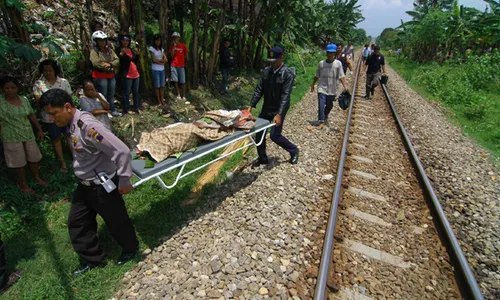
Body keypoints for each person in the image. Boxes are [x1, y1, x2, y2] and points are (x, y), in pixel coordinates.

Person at [39, 88, 139, 276]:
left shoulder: (88, 126)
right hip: (85, 184)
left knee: (116, 221)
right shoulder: (71, 124)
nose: (52, 119)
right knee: (77, 222)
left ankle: (130, 249)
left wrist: (125, 179)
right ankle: (93, 259)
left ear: (67, 107)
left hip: (102, 185)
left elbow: (122, 150)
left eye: (54, 113)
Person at [248, 46, 299, 166]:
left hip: (279, 109)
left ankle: (294, 150)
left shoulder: (287, 74)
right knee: (259, 133)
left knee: (275, 136)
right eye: (270, 61)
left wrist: (279, 114)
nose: (272, 63)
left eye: (275, 61)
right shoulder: (266, 71)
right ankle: (262, 158)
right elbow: (259, 89)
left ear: (282, 57)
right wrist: (251, 105)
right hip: (267, 107)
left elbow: (285, 96)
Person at [1, 76, 46, 193]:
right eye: (7, 88)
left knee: (34, 157)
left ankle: (36, 177)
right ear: (2, 89)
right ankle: (23, 183)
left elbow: (31, 115)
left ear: (17, 88)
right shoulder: (0, 101)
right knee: (18, 162)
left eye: (13, 88)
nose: (10, 90)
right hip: (11, 136)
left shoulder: (24, 99)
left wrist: (39, 129)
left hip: (27, 133)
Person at [33, 59, 71, 173]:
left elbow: (68, 98)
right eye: (45, 71)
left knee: (69, 135)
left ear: (55, 70)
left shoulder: (63, 82)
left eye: (50, 70)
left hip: (65, 115)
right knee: (56, 139)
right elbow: (39, 102)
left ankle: (76, 157)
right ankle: (62, 162)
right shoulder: (39, 84)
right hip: (49, 118)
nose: (48, 73)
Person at [309, 44, 349, 129]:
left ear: (335, 54)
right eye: (329, 53)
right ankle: (321, 121)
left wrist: (345, 85)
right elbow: (317, 75)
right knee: (321, 104)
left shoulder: (338, 64)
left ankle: (325, 114)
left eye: (332, 53)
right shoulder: (321, 64)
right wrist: (313, 84)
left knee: (329, 105)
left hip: (332, 89)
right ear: (326, 53)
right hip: (322, 88)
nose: (330, 54)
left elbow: (341, 76)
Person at [90, 30, 121, 117]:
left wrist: (110, 64)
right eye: (100, 40)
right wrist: (108, 65)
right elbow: (96, 63)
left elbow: (117, 60)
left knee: (111, 94)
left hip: (110, 75)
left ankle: (112, 110)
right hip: (100, 76)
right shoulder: (94, 51)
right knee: (103, 95)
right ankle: (105, 112)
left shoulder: (109, 50)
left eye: (103, 40)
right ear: (96, 41)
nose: (102, 42)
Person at [117, 31, 141, 115]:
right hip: (127, 74)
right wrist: (121, 54)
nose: (125, 42)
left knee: (136, 92)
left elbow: (134, 60)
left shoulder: (130, 49)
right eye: (124, 40)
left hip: (135, 73)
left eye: (127, 40)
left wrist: (137, 54)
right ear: (120, 41)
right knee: (126, 92)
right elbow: (120, 61)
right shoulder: (119, 49)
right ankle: (126, 108)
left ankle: (136, 107)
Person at [149, 34, 168, 107]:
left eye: (159, 41)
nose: (158, 42)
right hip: (155, 69)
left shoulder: (161, 49)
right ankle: (159, 100)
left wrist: (159, 61)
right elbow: (153, 60)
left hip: (161, 69)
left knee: (162, 86)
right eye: (156, 40)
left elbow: (166, 59)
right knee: (157, 86)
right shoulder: (152, 48)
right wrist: (161, 61)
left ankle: (162, 99)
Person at [169, 32, 188, 101]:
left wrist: (185, 62)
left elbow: (186, 55)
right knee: (175, 80)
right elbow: (172, 55)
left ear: (179, 38)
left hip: (181, 65)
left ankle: (184, 95)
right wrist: (174, 47)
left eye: (176, 37)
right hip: (174, 65)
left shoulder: (183, 45)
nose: (175, 39)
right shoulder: (172, 46)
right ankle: (178, 94)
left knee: (183, 81)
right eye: (174, 38)